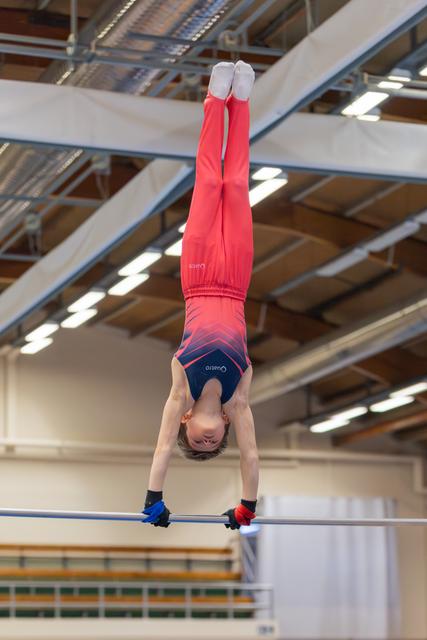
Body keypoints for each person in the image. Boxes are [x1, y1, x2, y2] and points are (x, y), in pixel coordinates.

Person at [143, 61, 259, 530]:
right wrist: (246, 508)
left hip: (198, 275)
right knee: (236, 184)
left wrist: (154, 498)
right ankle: (243, 102)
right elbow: (250, 456)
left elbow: (161, 447)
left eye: (198, 441)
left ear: (187, 420)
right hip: (236, 280)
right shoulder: (239, 398)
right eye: (214, 445)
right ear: (225, 426)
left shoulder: (180, 389)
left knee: (210, 181)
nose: (207, 441)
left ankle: (216, 100)